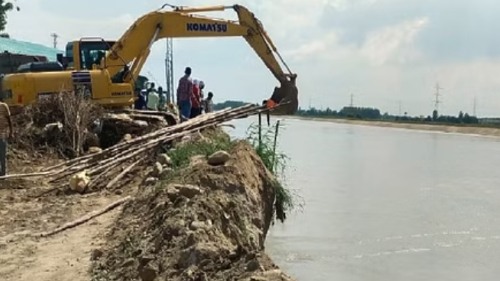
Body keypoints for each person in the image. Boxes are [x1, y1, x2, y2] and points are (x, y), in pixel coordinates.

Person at [0, 96, 13, 176]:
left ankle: (3, 172)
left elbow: (9, 120)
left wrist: (11, 132)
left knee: (2, 155)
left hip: (2, 135)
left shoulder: (4, 106)